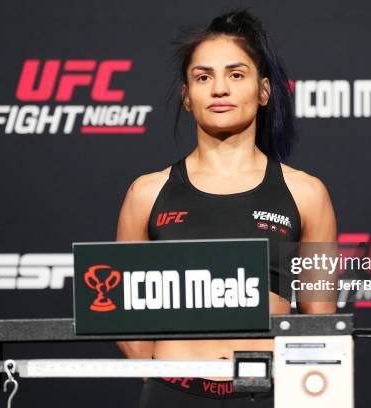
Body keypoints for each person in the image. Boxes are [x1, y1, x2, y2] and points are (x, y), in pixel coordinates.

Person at [115, 9, 337, 407]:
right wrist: (166, 378)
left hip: (269, 393)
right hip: (171, 394)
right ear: (187, 95)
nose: (219, 89)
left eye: (236, 74)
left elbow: (318, 323)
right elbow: (123, 314)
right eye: (203, 77)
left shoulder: (306, 194)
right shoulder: (146, 194)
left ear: (264, 90)